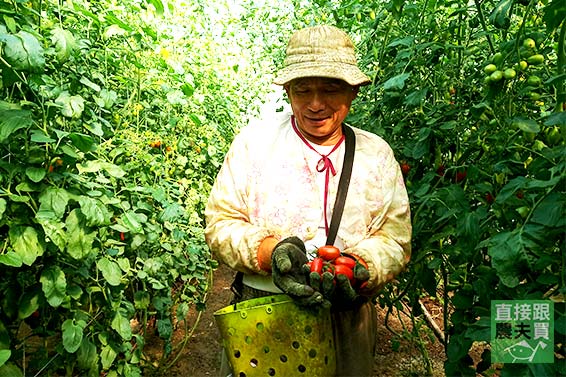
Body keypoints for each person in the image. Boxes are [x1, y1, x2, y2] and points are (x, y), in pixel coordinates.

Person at [205, 24, 412, 377]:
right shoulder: (255, 142)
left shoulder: (374, 154)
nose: (316, 104)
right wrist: (272, 252)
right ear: (288, 92)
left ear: (353, 92)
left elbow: (395, 238)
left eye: (331, 89)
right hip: (263, 313)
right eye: (303, 90)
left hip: (347, 319)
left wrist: (359, 269)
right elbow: (221, 224)